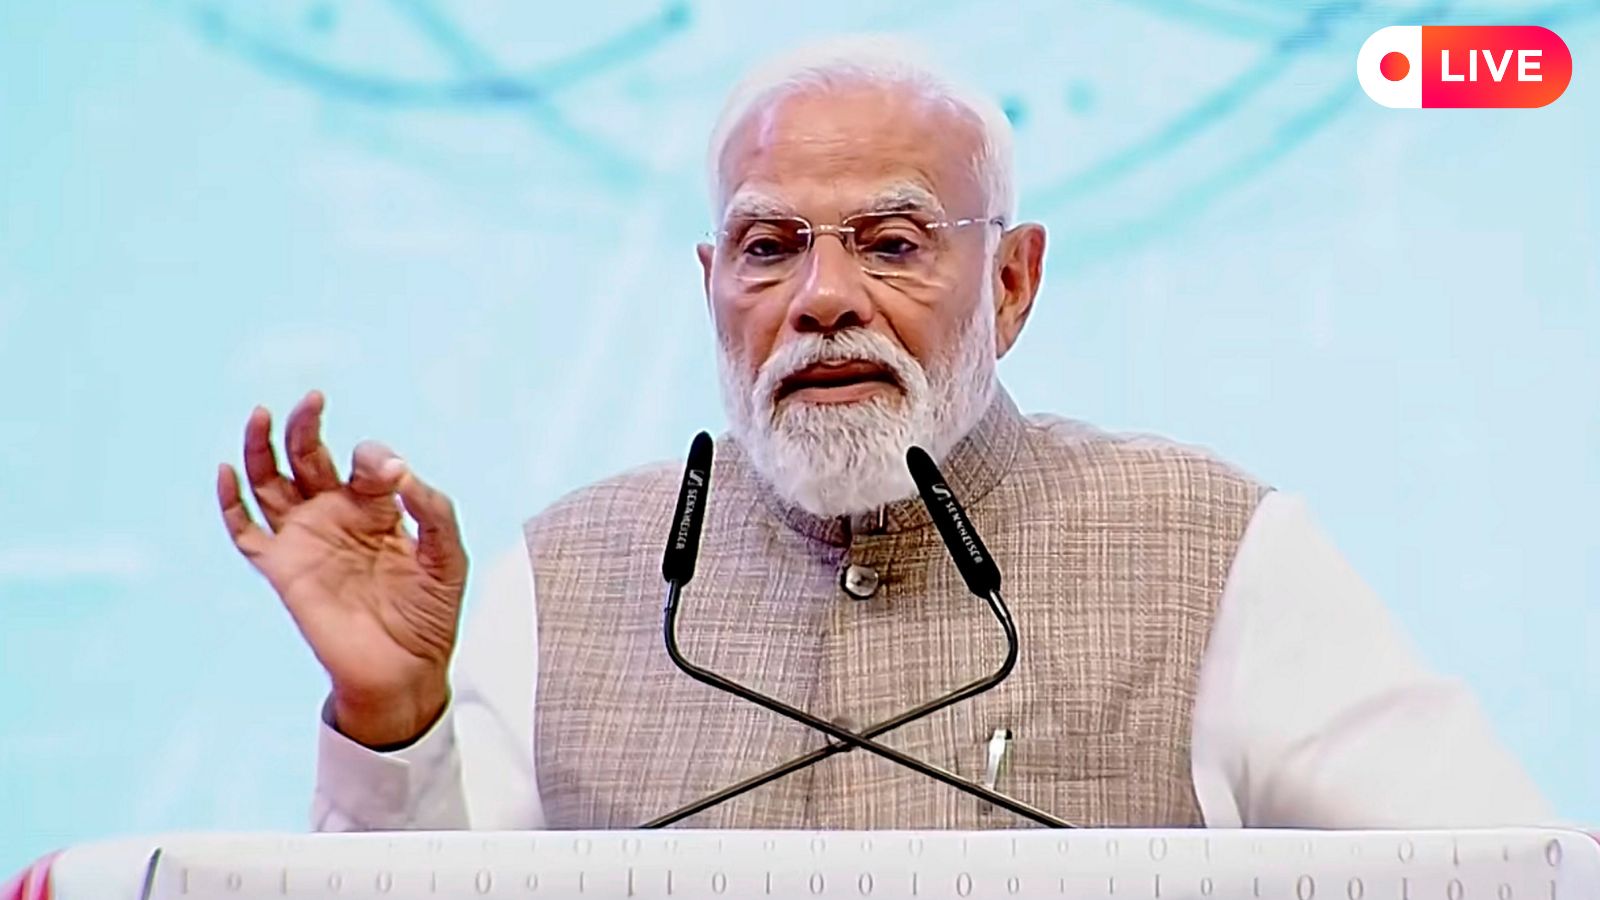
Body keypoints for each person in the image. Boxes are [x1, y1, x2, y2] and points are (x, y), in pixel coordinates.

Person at [217, 36, 1551, 832]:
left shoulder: (1215, 548)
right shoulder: (570, 573)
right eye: (768, 248)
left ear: (1013, 282)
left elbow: (1494, 868)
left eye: (893, 245)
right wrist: (390, 721)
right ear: (711, 286)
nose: (824, 297)